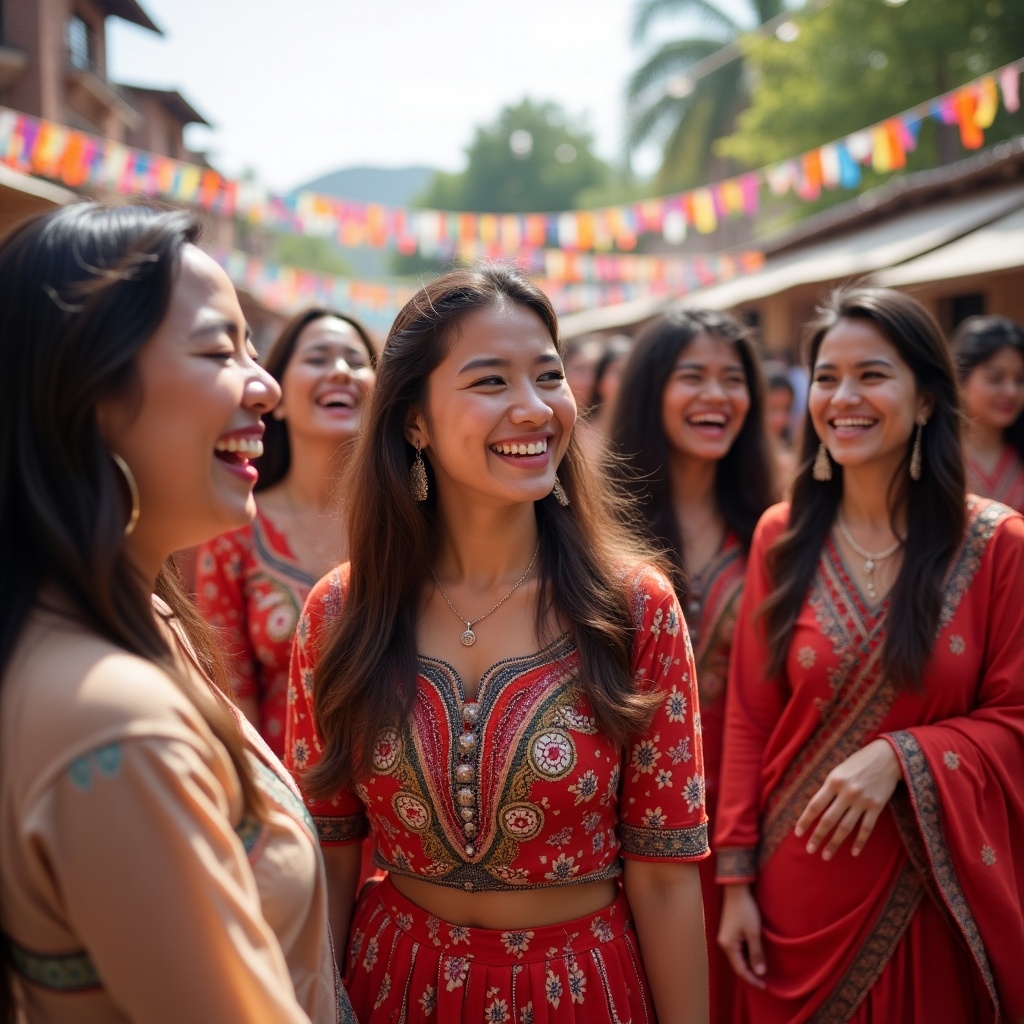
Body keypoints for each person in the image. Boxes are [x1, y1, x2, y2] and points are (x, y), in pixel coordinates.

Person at [285, 266, 711, 1023]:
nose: (534, 408)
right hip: (393, 987)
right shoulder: (342, 613)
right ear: (414, 421)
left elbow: (667, 876)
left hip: (582, 991)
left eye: (549, 376)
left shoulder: (633, 608)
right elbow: (326, 855)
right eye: (490, 382)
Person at [0, 203, 354, 1023]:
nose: (265, 387)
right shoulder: (117, 728)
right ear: (86, 390)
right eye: (218, 350)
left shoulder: (143, 618)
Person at [716, 286, 1024, 1022]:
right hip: (792, 893)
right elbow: (749, 719)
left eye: (872, 375)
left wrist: (904, 757)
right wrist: (733, 881)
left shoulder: (996, 545)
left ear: (924, 401)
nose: (843, 397)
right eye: (826, 376)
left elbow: (1017, 717)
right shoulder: (782, 537)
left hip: (938, 892)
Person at [609, 308, 777, 1023]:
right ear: (651, 391)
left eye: (733, 379)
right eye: (693, 377)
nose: (716, 395)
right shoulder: (599, 532)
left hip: (753, 824)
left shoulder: (778, 524)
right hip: (628, 831)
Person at [195, 307, 376, 756]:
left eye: (356, 361)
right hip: (288, 806)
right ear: (275, 395)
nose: (340, 372)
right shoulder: (233, 533)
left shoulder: (418, 525)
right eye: (318, 358)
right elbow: (233, 710)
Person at [951, 314, 1024, 513]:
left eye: (1019, 379)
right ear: (960, 381)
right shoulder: (939, 456)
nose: (1011, 391)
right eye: (996, 378)